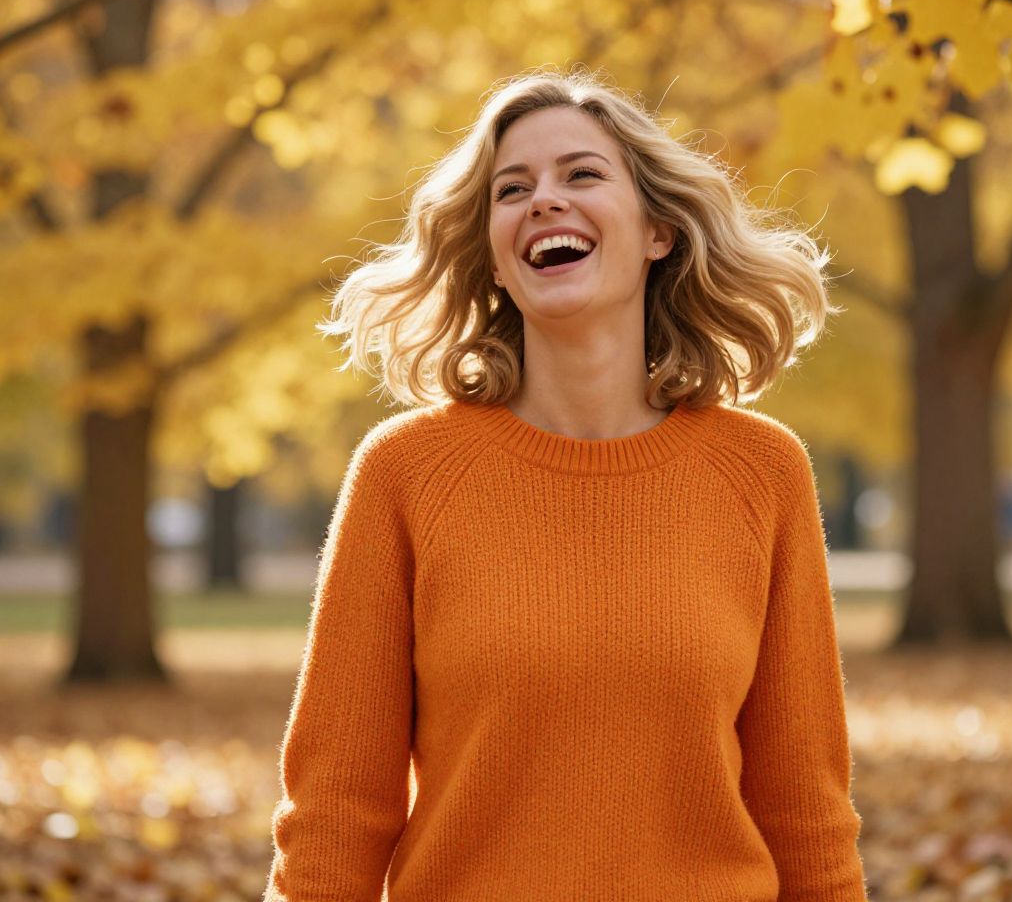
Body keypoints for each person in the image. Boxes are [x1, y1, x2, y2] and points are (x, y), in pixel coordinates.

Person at [263, 66, 868, 901]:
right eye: (513, 189)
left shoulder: (762, 473)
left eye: (582, 174)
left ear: (658, 231)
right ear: (495, 263)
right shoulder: (404, 472)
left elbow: (806, 814)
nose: (544, 200)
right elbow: (334, 815)